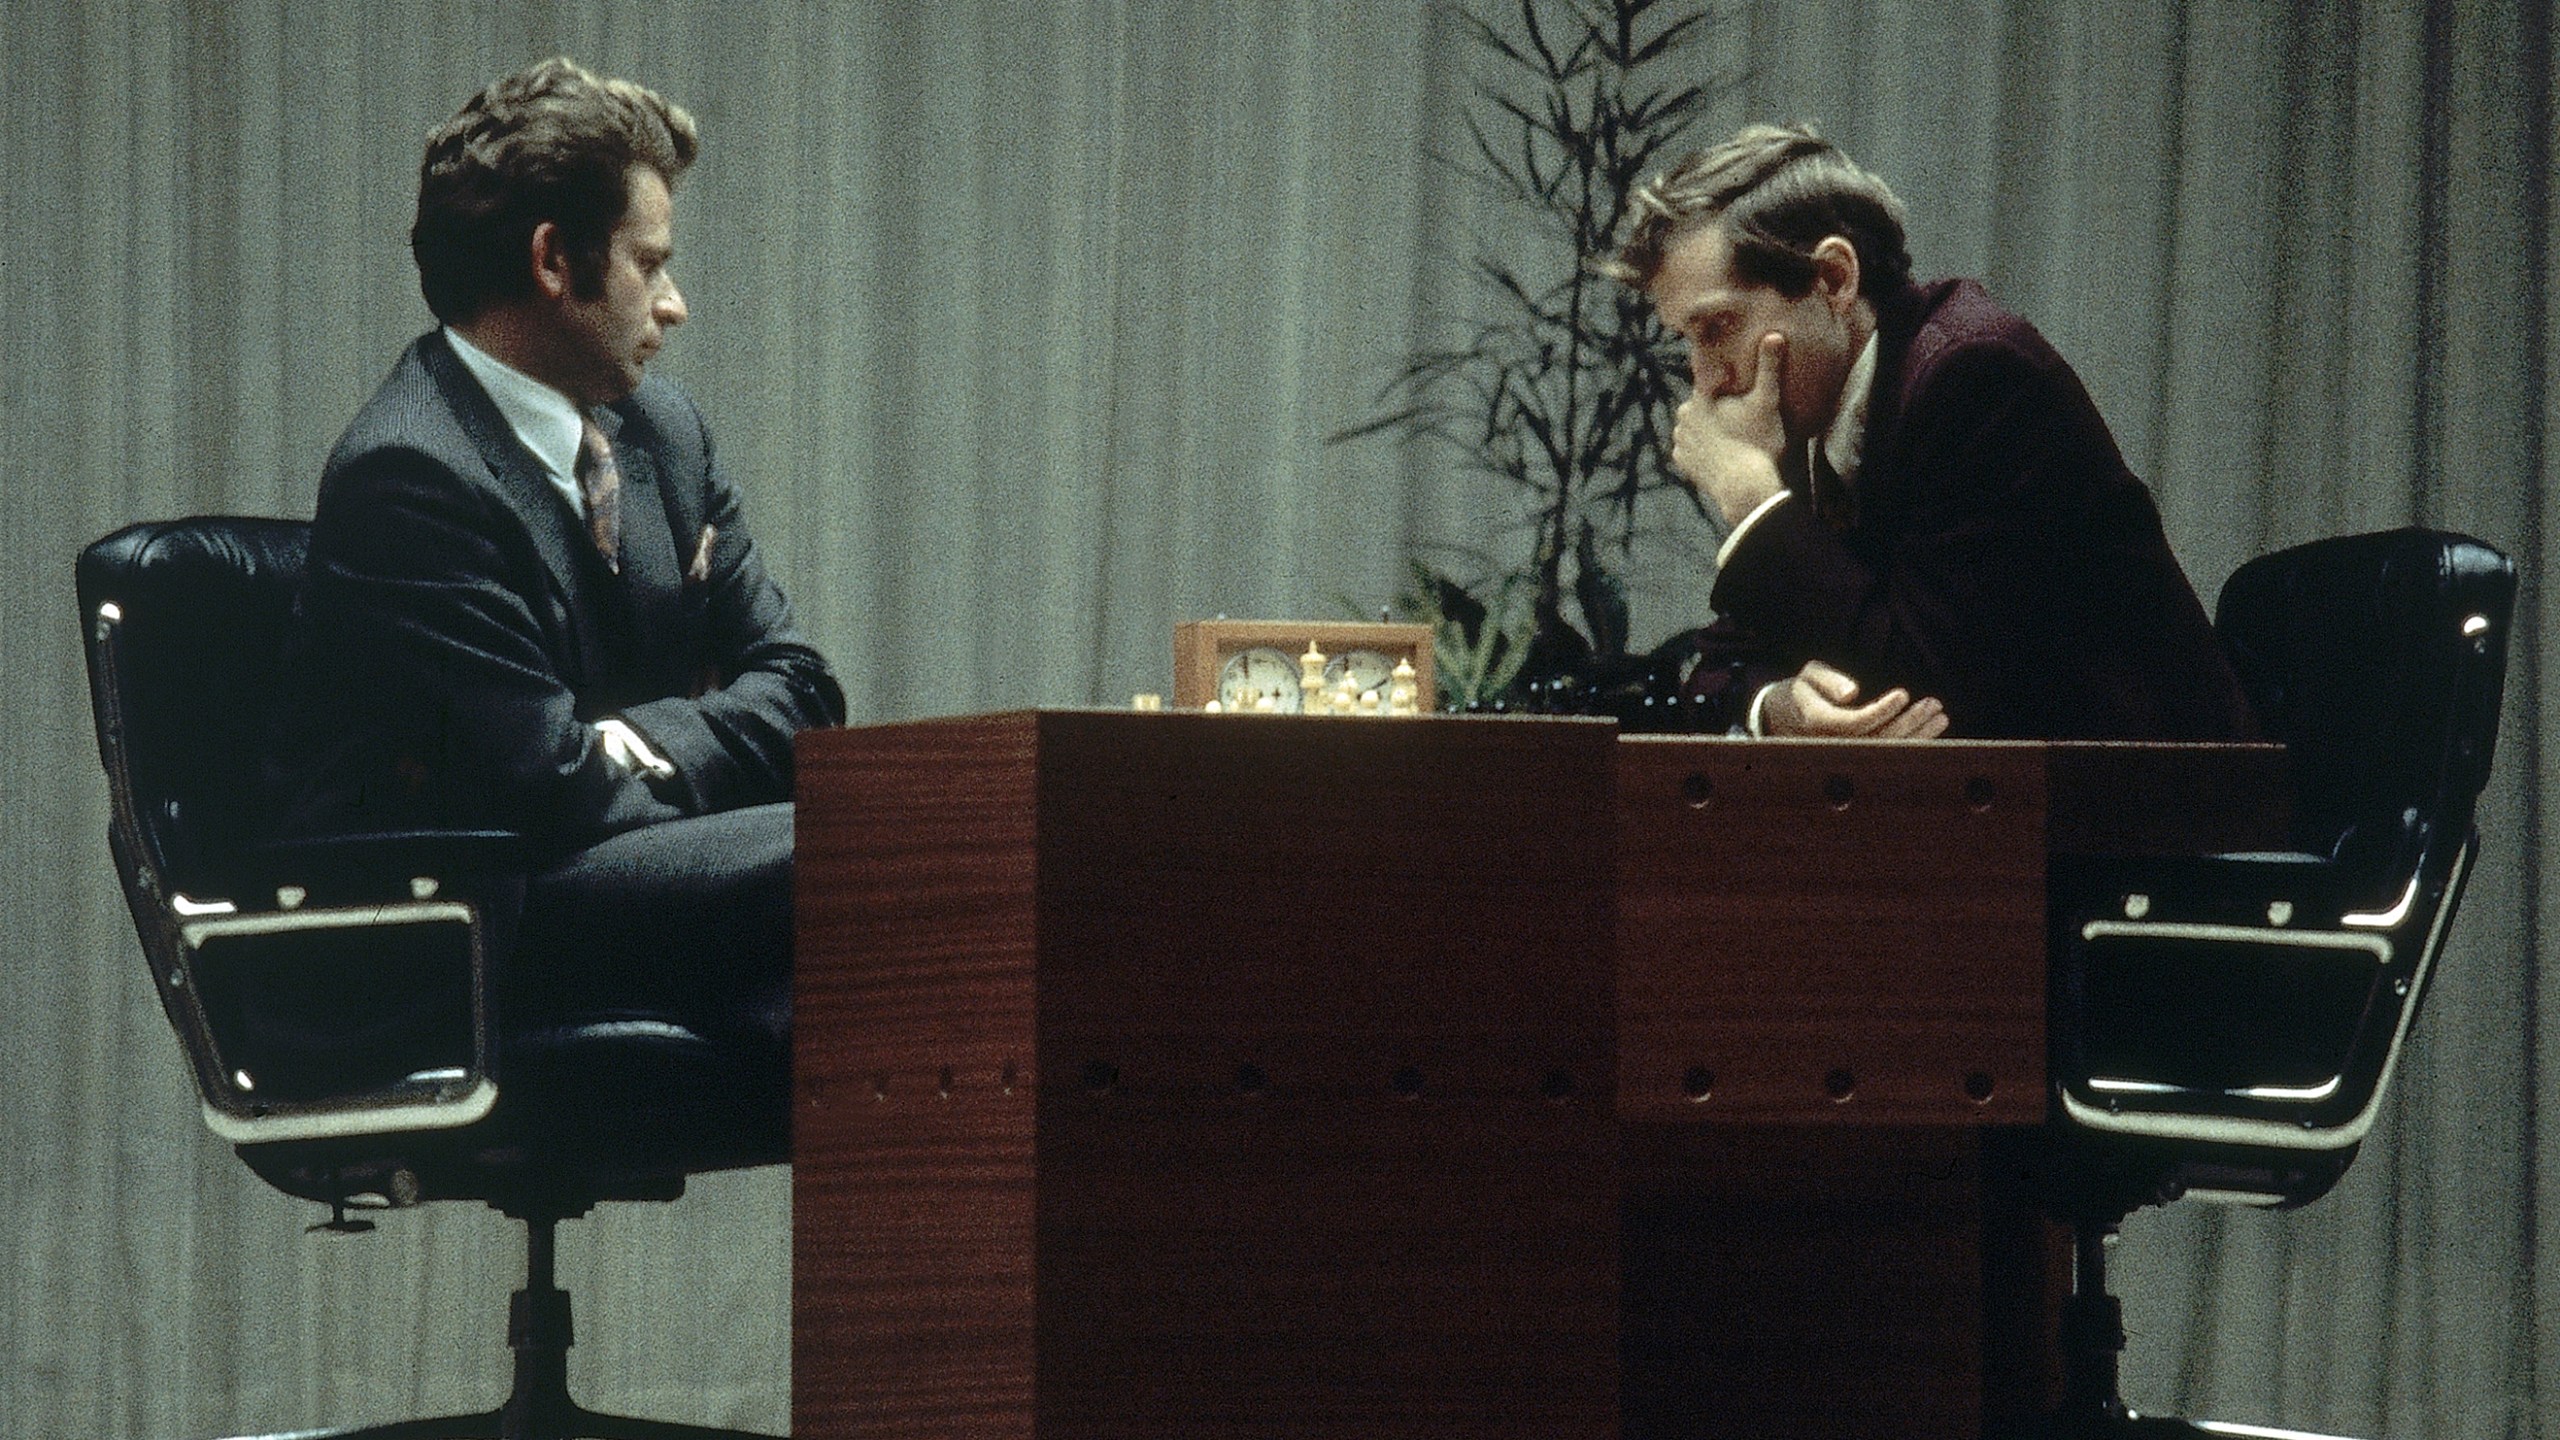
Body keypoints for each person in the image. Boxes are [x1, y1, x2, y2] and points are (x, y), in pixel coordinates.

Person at [262, 58, 843, 1039]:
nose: (674, 305)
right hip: (465, 929)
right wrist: (682, 750)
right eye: (649, 263)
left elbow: (803, 694)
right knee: (870, 867)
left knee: (908, 969)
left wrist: (635, 742)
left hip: (618, 873)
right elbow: (549, 788)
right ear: (551, 261)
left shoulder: (666, 433)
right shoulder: (410, 472)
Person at [1607, 123, 2254, 741]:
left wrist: (1754, 502)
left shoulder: (1977, 380)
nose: (1706, 381)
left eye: (1718, 328)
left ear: (1833, 279)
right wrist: (1777, 708)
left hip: (2158, 827)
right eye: (1686, 341)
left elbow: (1933, 698)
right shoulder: (1807, 411)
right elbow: (1717, 672)